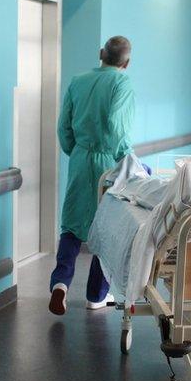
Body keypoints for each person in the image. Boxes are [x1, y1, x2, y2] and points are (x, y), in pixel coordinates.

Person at [49, 36, 135, 316]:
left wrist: (76, 151)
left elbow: (63, 127)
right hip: (107, 161)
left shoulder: (78, 81)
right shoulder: (122, 83)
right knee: (105, 227)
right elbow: (116, 126)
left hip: (80, 157)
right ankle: (96, 295)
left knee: (72, 223)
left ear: (101, 54)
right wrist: (124, 159)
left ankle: (60, 284)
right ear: (127, 62)